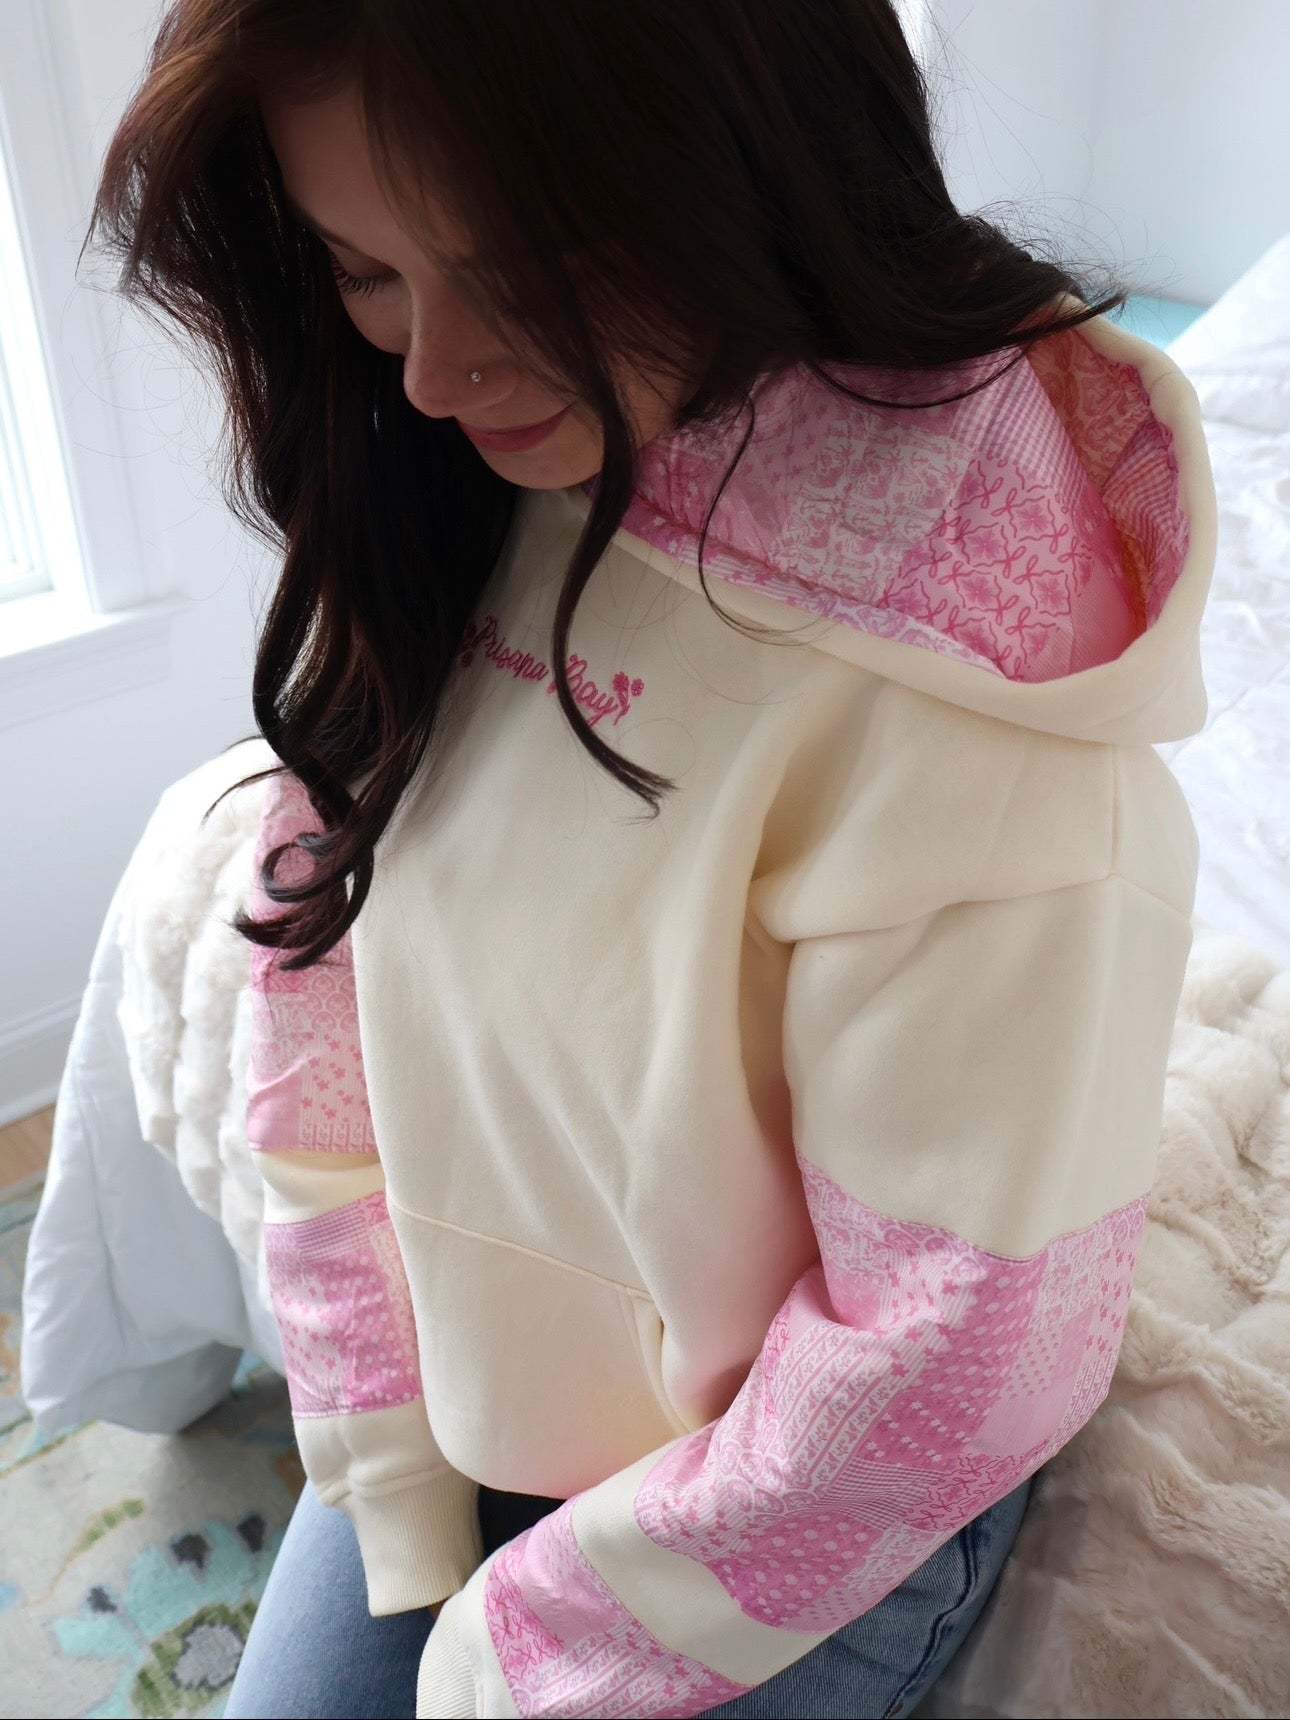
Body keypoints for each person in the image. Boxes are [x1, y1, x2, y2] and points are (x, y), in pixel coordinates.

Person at [86, 1, 1215, 1714]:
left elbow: (954, 1353)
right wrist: (385, 1448)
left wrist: (522, 1651)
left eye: (525, 276)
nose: (432, 373)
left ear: (752, 180)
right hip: (476, 1400)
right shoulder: (445, 497)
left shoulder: (976, 731)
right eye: (365, 270)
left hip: (806, 1515)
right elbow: (319, 976)